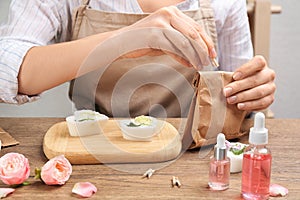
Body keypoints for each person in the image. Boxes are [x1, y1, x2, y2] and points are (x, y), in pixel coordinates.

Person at [0, 0, 275, 118]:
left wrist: (251, 92)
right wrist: (125, 40)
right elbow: (6, 71)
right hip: (93, 150)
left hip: (195, 156)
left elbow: (238, 102)